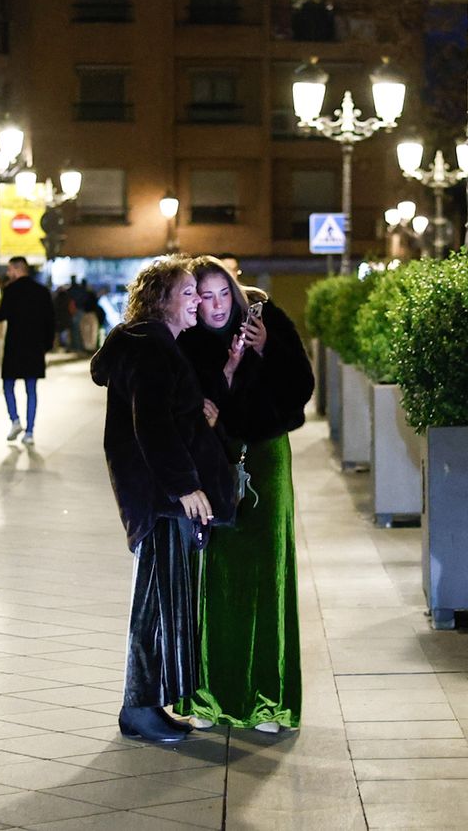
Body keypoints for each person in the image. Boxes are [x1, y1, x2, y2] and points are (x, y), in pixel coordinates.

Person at [89, 256, 237, 745]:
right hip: (160, 500)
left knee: (165, 601)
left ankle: (151, 704)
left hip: (158, 497)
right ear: (163, 299)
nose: (198, 300)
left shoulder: (152, 343)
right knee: (154, 605)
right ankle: (138, 709)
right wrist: (184, 486)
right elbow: (150, 425)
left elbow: (165, 415)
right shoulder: (151, 346)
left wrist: (198, 413)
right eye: (190, 292)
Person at [176, 256, 314, 734]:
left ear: (235, 291)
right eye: (205, 296)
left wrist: (267, 349)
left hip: (267, 457)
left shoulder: (266, 319)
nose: (216, 306)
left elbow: (301, 387)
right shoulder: (190, 339)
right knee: (217, 574)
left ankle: (269, 701)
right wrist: (228, 373)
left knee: (267, 571)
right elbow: (187, 402)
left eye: (222, 294)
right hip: (216, 461)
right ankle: (211, 696)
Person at [0, 256, 55, 446]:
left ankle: (15, 420)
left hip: (15, 345)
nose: (7, 273)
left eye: (9, 270)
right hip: (35, 347)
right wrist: (46, 345)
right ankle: (29, 431)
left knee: (8, 385)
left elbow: (1, 315)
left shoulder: (11, 290)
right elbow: (50, 321)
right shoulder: (42, 292)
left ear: (16, 269)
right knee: (31, 389)